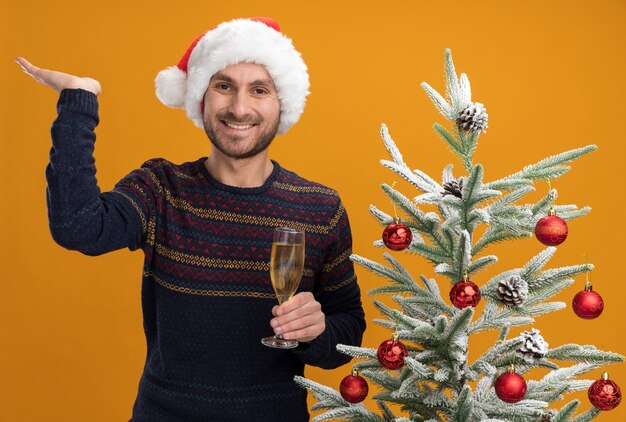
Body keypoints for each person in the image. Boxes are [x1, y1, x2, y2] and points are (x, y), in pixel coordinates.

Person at [16, 17, 365, 421]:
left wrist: (317, 332)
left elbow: (349, 332)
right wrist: (79, 102)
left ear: (281, 102)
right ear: (201, 96)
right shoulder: (161, 188)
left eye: (259, 89)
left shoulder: (319, 209)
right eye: (223, 86)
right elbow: (77, 226)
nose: (239, 107)